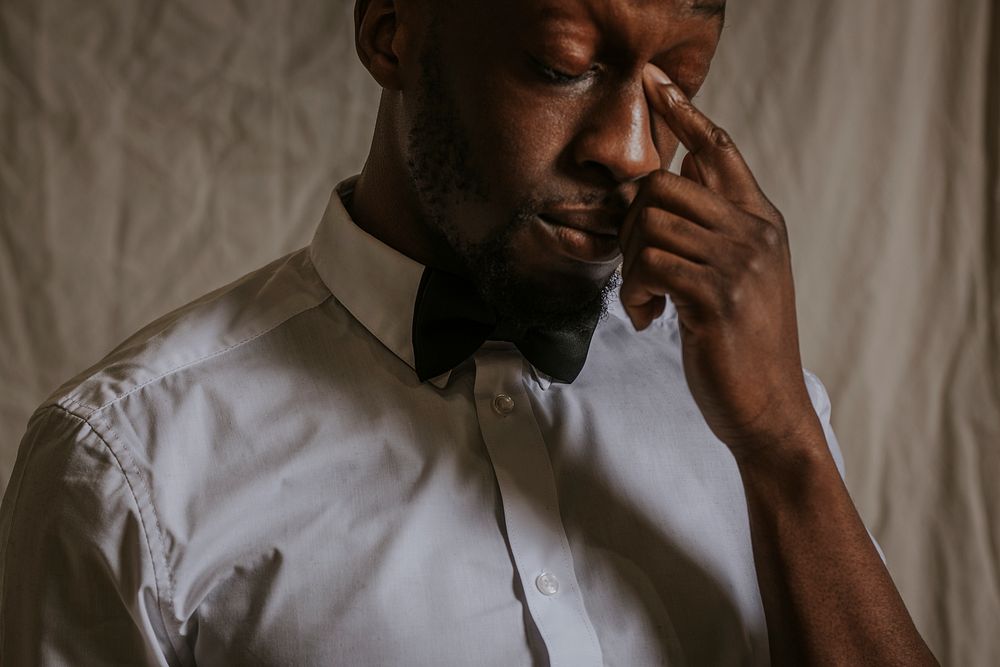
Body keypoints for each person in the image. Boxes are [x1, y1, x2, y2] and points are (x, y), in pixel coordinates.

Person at [0, 0, 937, 665]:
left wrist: (785, 449)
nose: (635, 150)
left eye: (677, 84)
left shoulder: (759, 409)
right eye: (564, 65)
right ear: (391, 32)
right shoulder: (125, 472)